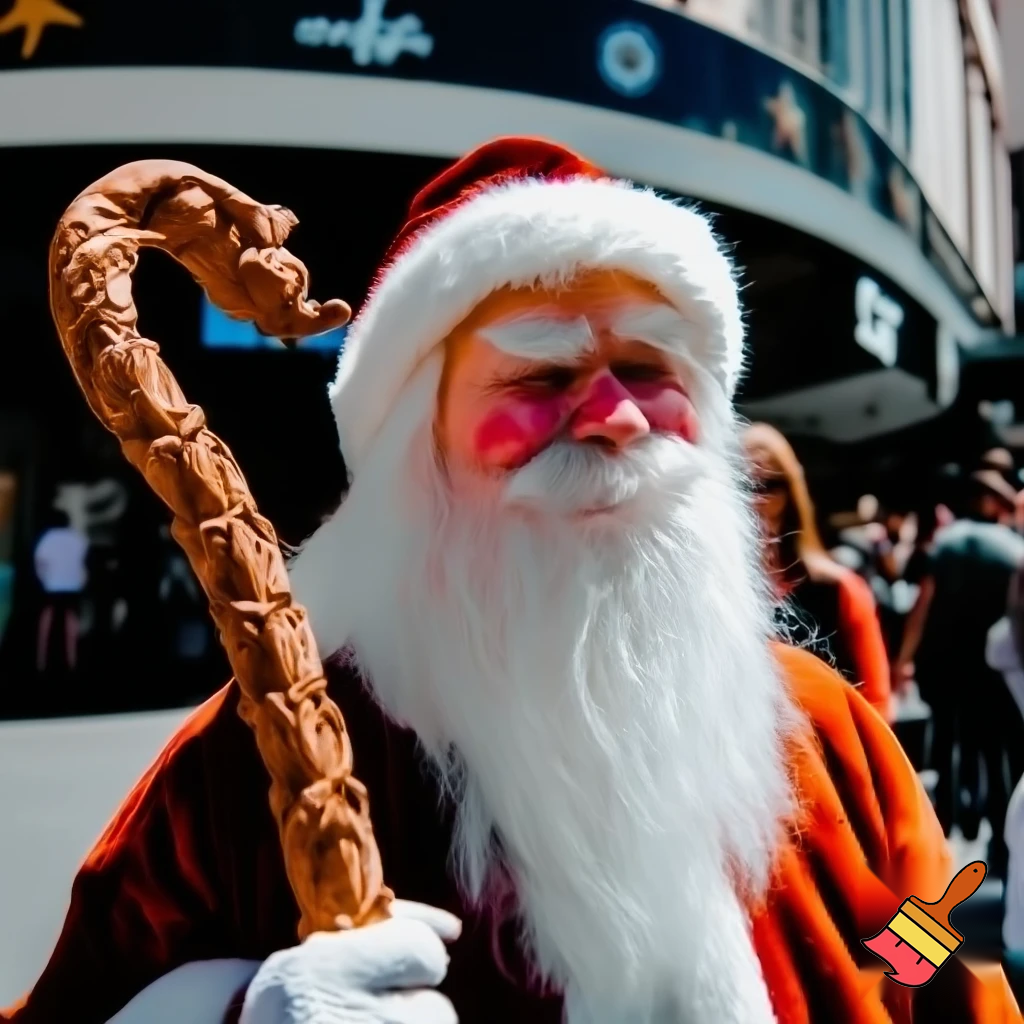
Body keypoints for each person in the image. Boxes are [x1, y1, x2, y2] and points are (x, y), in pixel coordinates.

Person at [4, 138, 1019, 1024]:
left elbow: (926, 932)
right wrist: (235, 1010)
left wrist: (892, 972)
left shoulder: (821, 727)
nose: (617, 417)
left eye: (650, 370)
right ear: (418, 449)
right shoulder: (248, 773)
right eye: (540, 377)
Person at [895, 468, 1024, 874]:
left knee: (946, 747)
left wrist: (903, 659)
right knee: (1000, 756)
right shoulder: (1013, 548)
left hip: (944, 667)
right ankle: (1004, 849)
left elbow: (923, 605)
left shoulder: (946, 543)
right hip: (995, 670)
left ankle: (943, 839)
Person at [742, 422, 892, 721]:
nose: (755, 501)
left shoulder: (837, 588)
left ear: (791, 495)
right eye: (742, 486)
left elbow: (876, 702)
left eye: (768, 486)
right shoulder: (715, 593)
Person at [31, 505, 89, 675]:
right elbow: (85, 562)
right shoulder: (78, 538)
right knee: (71, 617)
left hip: (52, 586)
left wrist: (44, 580)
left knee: (47, 616)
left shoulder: (47, 538)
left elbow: (40, 563)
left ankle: (41, 658)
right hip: (73, 586)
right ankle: (72, 658)